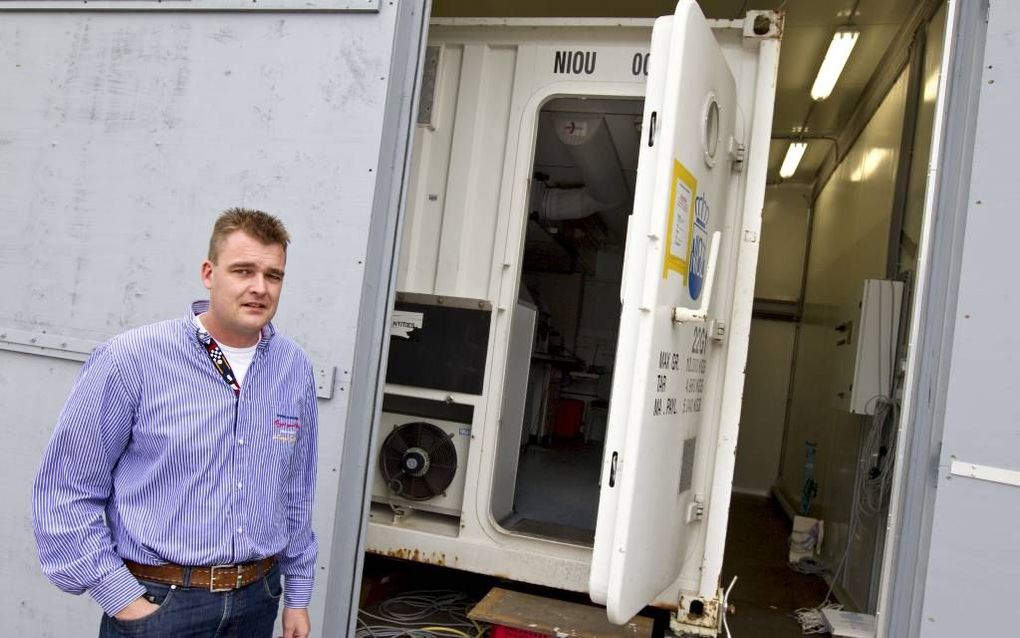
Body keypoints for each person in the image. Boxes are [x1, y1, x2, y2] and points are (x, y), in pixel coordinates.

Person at [32, 208, 318, 638]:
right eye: (243, 270)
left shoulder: (292, 367)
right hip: (161, 606)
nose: (259, 288)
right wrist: (122, 598)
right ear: (209, 272)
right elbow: (66, 490)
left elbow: (294, 490)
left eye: (273, 275)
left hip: (258, 601)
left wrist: (297, 594)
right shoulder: (131, 360)